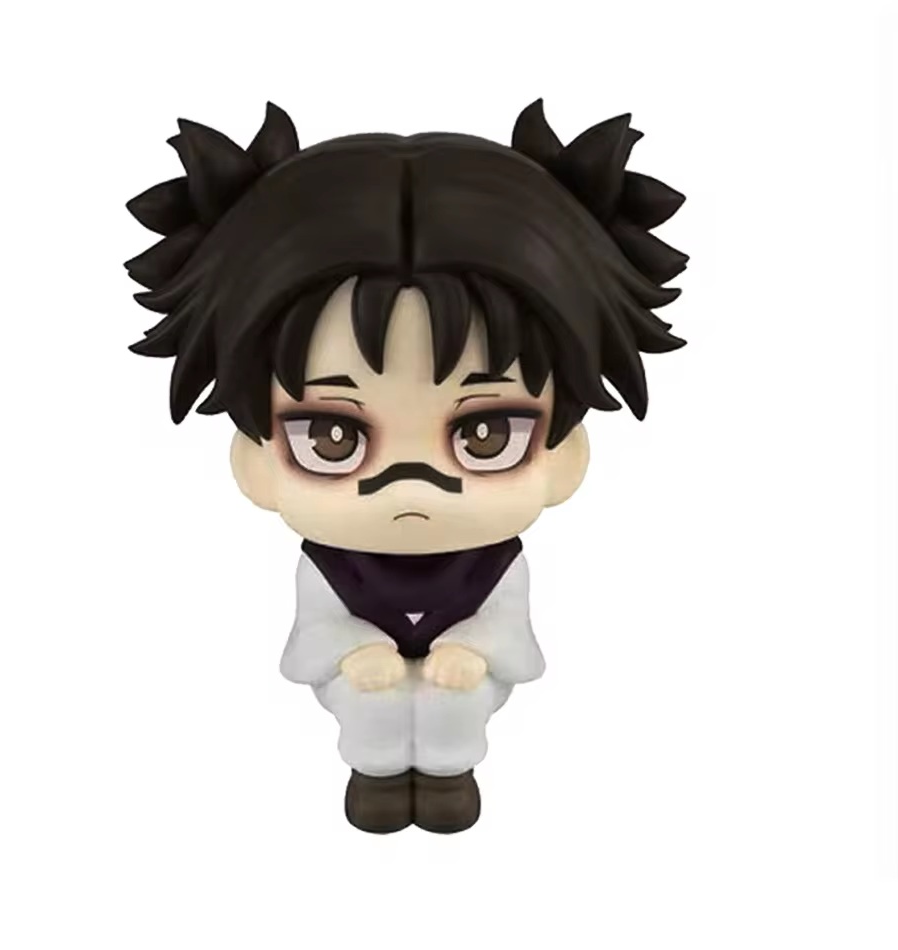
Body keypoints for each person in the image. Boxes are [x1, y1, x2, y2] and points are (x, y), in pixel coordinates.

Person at [125, 99, 688, 833]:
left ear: (565, 456)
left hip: (465, 679)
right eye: (333, 437)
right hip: (361, 682)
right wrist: (355, 654)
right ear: (256, 460)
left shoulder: (495, 566)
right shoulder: (330, 567)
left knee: (455, 703)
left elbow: (508, 630)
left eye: (486, 433)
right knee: (375, 707)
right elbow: (317, 631)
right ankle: (378, 776)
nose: (411, 483)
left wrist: (473, 653)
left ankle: (449, 775)